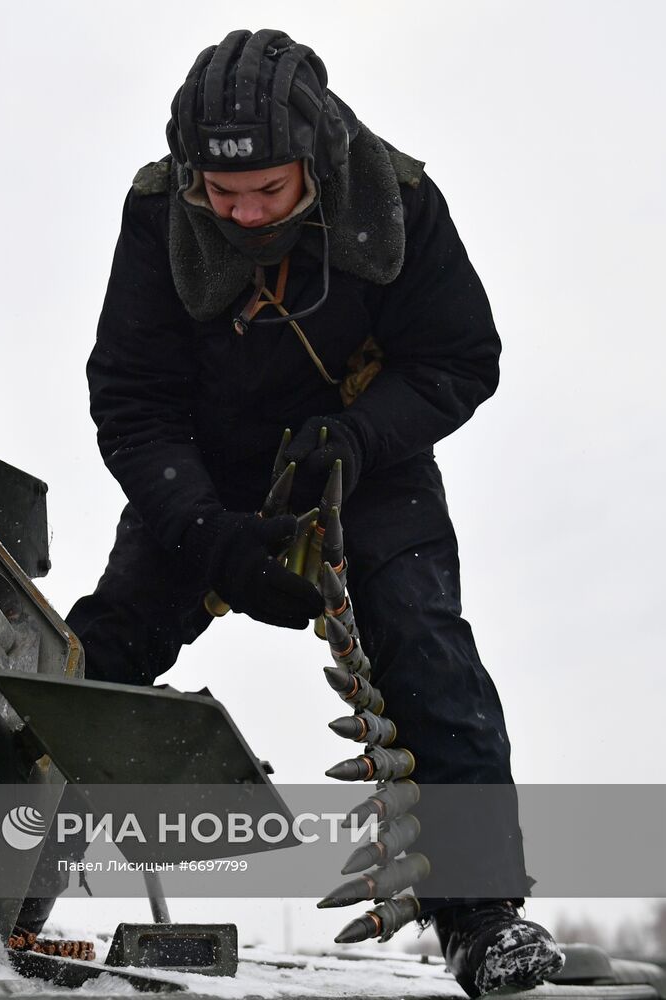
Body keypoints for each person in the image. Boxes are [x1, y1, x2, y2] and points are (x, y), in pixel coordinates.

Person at [64, 28, 564, 997]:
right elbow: (130, 400)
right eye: (223, 193)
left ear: (317, 160)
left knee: (423, 646)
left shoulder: (401, 203)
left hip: (364, 457)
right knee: (101, 649)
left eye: (270, 192)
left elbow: (462, 358)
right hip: (208, 471)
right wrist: (208, 532)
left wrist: (361, 435)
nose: (245, 215)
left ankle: (482, 916)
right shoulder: (157, 214)